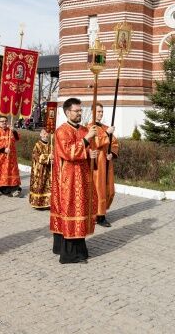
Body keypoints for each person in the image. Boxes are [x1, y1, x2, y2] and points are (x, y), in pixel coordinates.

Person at [50, 98, 98, 264]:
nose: (79, 113)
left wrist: (92, 154)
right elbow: (68, 152)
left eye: (80, 110)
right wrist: (86, 140)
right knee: (72, 212)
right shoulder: (61, 131)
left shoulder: (85, 129)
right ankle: (69, 255)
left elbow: (89, 150)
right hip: (68, 180)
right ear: (67, 112)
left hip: (83, 178)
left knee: (82, 211)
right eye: (76, 111)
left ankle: (79, 250)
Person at [89, 103, 119, 227]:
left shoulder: (106, 127)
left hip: (107, 162)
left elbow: (114, 143)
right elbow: (94, 142)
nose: (100, 114)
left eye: (102, 111)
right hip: (97, 163)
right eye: (98, 111)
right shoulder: (90, 128)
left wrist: (112, 153)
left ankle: (101, 211)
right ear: (93, 112)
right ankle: (100, 216)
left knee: (110, 190)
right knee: (99, 189)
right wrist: (107, 134)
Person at [0, 116, 22, 197]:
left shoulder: (10, 131)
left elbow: (18, 138)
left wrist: (14, 131)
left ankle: (12, 189)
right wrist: (3, 149)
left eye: (5, 121)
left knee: (10, 172)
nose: (4, 123)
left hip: (11, 157)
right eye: (2, 121)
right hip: (0, 157)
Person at [29, 129, 53, 209]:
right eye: (44, 133)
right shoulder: (37, 145)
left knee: (48, 186)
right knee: (40, 185)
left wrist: (53, 159)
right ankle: (38, 203)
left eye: (47, 133)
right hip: (40, 170)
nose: (46, 135)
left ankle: (48, 203)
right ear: (41, 134)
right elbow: (36, 156)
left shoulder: (51, 145)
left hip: (49, 169)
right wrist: (48, 157)